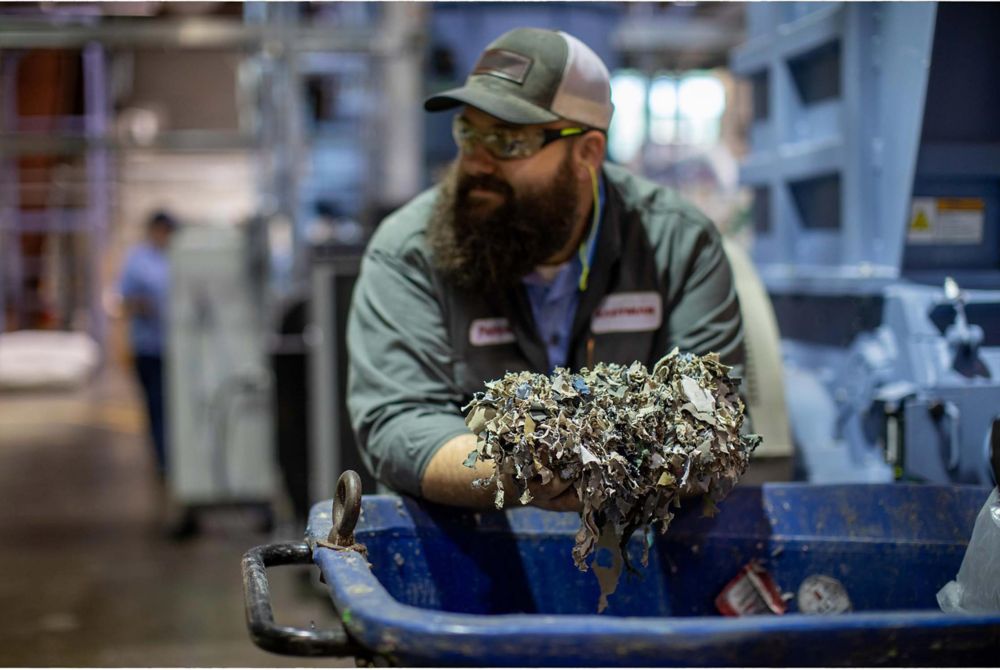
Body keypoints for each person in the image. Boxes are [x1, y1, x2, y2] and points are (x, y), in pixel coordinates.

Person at [347, 28, 744, 511]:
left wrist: (601, 467)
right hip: (470, 548)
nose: (476, 162)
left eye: (508, 142)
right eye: (468, 133)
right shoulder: (409, 251)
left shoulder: (678, 246)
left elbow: (709, 419)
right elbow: (399, 423)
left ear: (586, 154)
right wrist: (515, 472)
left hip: (634, 550)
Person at [119, 210, 177, 479]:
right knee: (156, 406)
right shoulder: (138, 261)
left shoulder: (178, 258)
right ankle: (163, 460)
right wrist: (146, 307)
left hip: (178, 349)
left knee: (177, 407)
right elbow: (125, 300)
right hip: (149, 348)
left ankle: (178, 458)